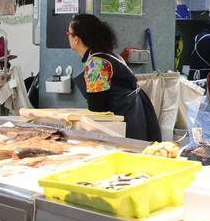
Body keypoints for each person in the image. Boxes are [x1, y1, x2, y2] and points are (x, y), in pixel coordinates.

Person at [67, 14, 161, 142]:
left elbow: (98, 109)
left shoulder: (97, 63)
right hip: (135, 115)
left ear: (76, 38)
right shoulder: (110, 55)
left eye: (68, 33)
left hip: (125, 122)